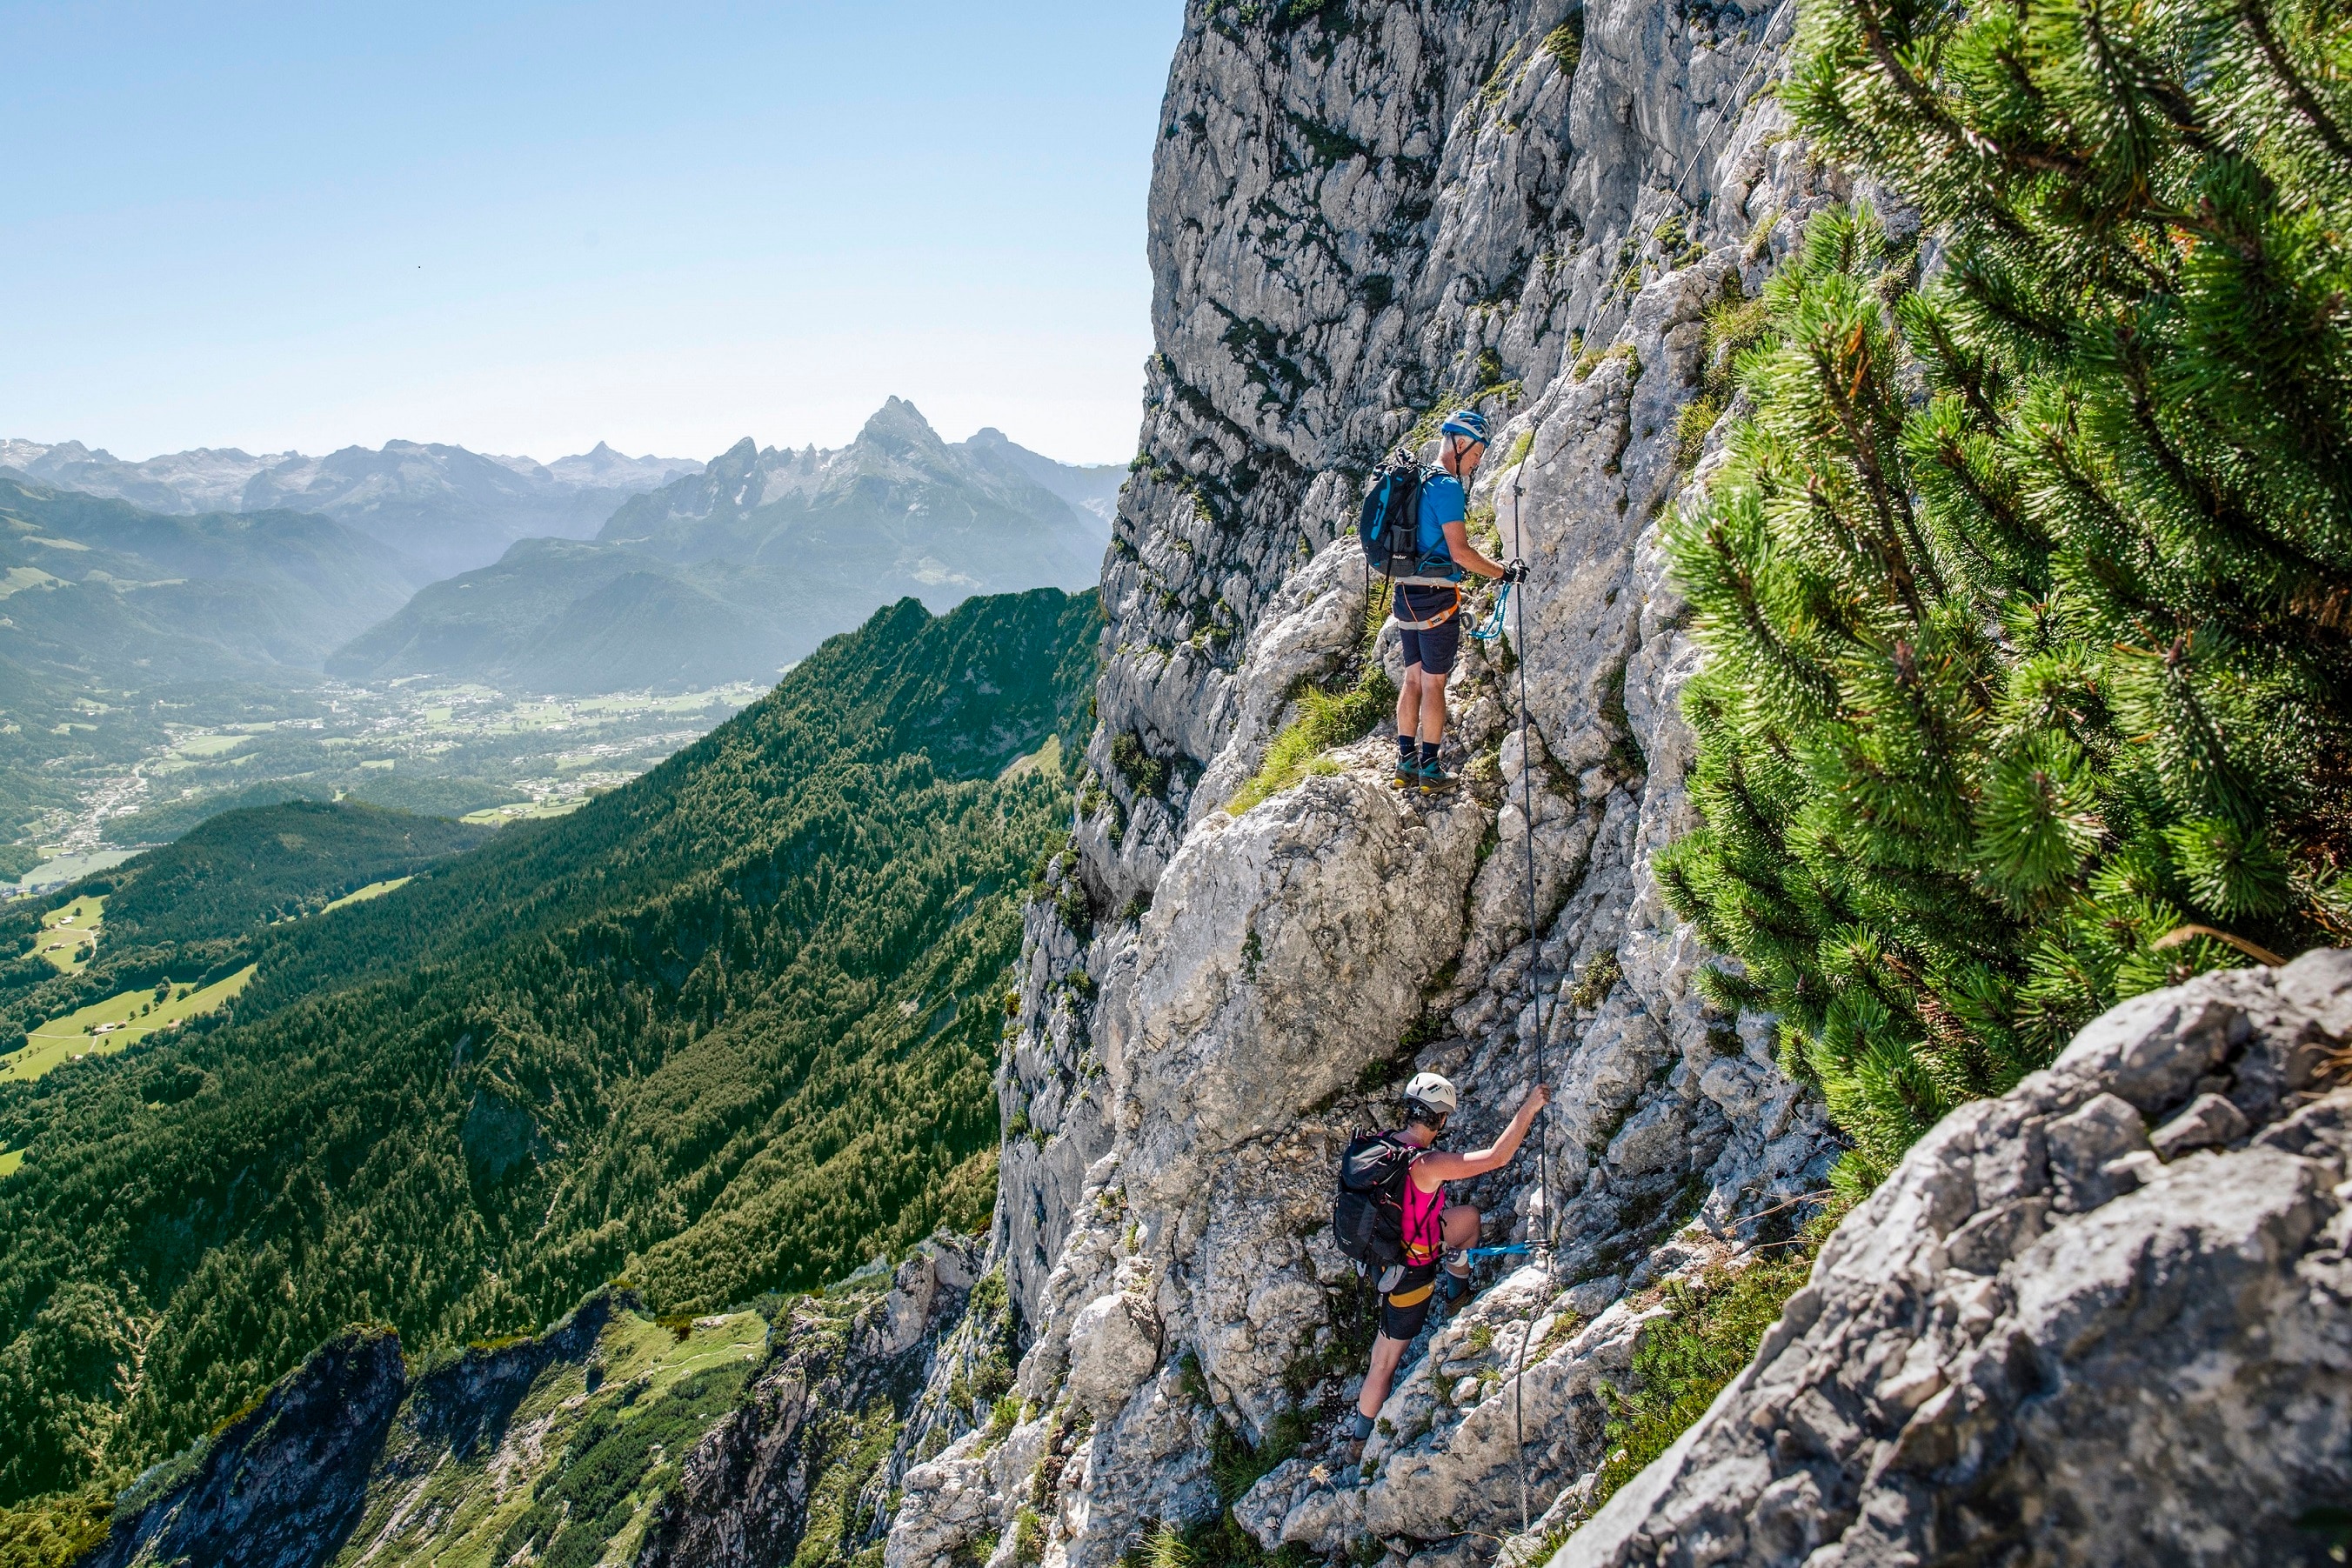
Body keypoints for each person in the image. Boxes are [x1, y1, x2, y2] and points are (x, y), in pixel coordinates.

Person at [1345, 1070, 1552, 1464]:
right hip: (1410, 1279)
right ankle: (1359, 1442)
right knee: (1384, 1360)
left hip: (1379, 1257)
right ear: (1441, 1120)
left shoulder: (1382, 1147)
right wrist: (1529, 1108)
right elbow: (1497, 1157)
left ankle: (1457, 1295)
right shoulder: (1427, 1165)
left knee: (1469, 1220)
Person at [1393, 409, 1527, 792]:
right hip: (1435, 600)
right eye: (1478, 452)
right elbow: (1461, 552)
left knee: (1413, 677)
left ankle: (1405, 762)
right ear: (1461, 442)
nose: (1478, 461)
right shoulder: (1447, 486)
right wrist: (1504, 572)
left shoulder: (1417, 480)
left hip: (1405, 595)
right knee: (1435, 683)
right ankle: (1430, 769)